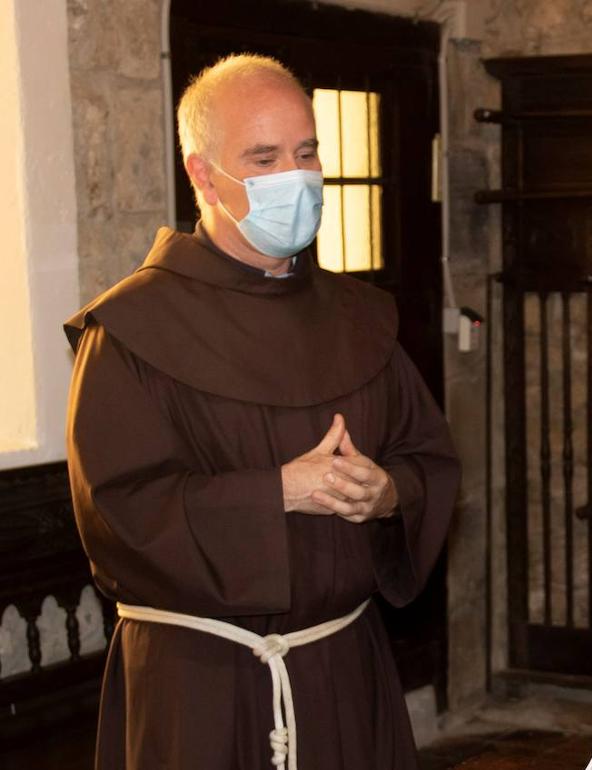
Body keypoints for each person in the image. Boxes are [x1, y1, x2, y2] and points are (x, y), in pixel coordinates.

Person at [64, 54, 460, 770]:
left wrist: (389, 493)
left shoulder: (359, 317)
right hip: (202, 691)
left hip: (345, 668)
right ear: (203, 173)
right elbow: (118, 517)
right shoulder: (128, 330)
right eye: (265, 156)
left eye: (306, 152)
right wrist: (277, 491)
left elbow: (426, 457)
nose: (297, 176)